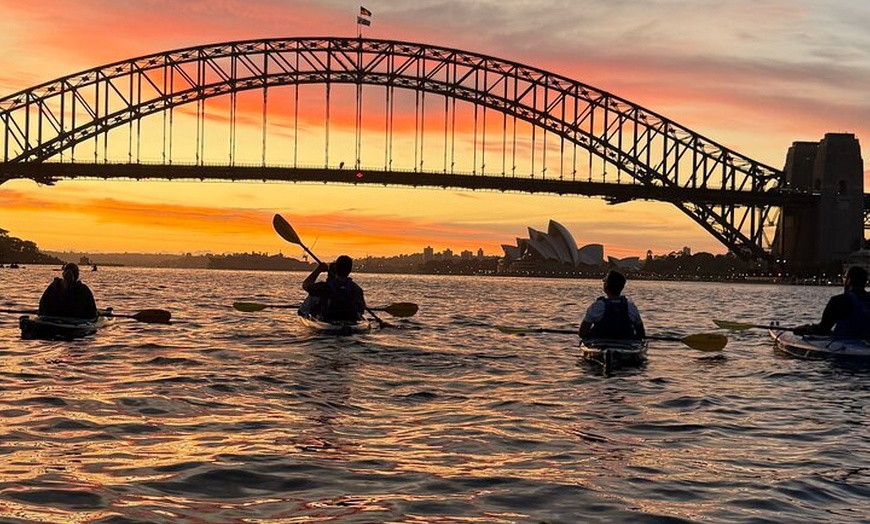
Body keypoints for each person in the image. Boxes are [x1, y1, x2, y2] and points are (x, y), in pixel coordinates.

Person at [793, 266, 870, 338]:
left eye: (845, 278)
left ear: (849, 280)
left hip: (844, 343)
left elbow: (823, 329)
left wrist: (807, 329)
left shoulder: (838, 300)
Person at [579, 270, 645, 339]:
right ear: (622, 287)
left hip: (600, 344)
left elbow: (582, 333)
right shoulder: (631, 307)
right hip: (626, 345)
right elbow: (641, 334)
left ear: (606, 286)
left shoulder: (597, 307)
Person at [301, 255, 366, 322]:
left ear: (336, 268)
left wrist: (319, 269)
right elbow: (361, 309)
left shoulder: (324, 287)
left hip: (329, 320)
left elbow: (306, 285)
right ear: (350, 270)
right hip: (350, 319)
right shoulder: (357, 289)